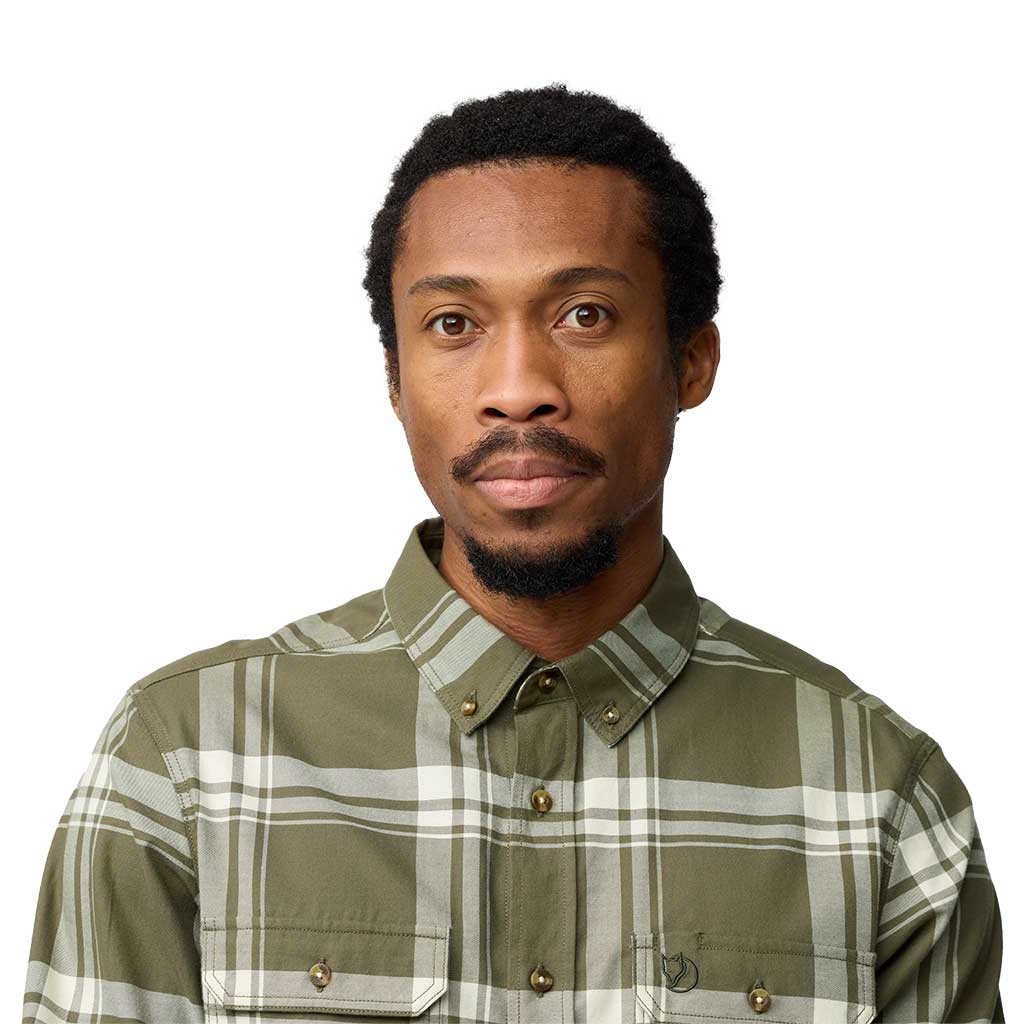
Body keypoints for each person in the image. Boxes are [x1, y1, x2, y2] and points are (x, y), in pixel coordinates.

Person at [23, 82, 1002, 1024]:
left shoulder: (876, 794)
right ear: (395, 378)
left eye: (584, 315)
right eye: (453, 324)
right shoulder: (187, 764)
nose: (518, 388)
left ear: (691, 360)